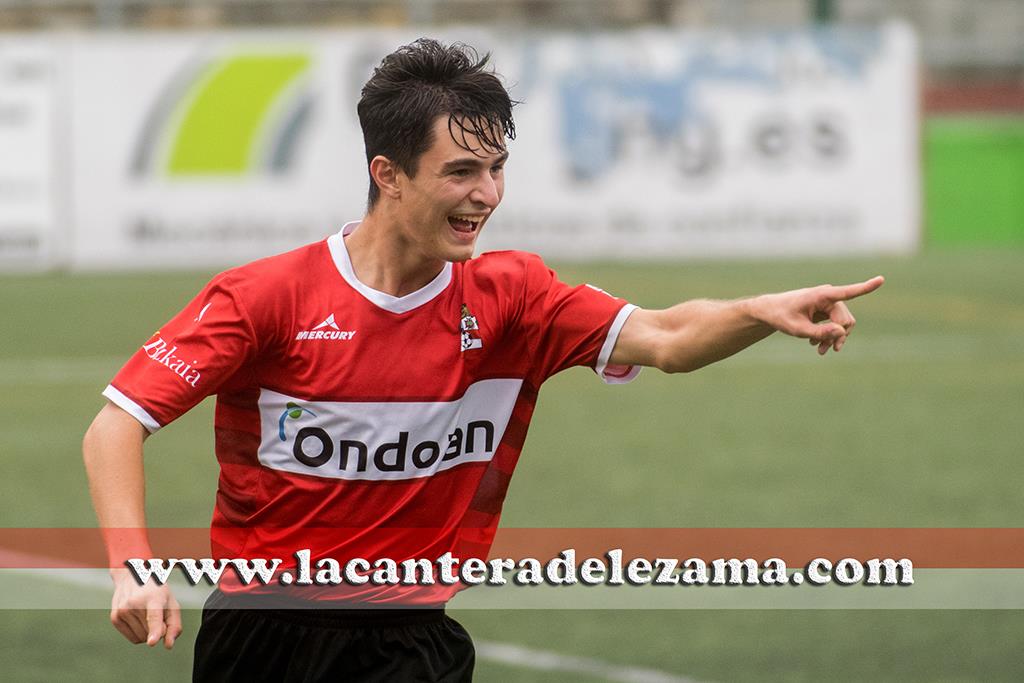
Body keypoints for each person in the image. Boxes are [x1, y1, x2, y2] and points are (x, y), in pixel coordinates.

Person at [82, 38, 884, 681]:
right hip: (263, 636)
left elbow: (667, 337)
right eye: (461, 171)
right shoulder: (268, 297)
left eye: (497, 169)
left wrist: (759, 311)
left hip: (414, 639)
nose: (487, 194)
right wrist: (134, 567)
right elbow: (117, 423)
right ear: (387, 176)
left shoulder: (515, 296)